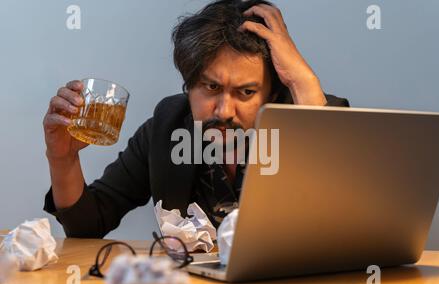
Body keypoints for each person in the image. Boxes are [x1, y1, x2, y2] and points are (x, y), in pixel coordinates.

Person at [43, 0, 349, 238]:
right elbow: (89, 224)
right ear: (188, 85)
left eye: (246, 92)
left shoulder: (312, 114)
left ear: (271, 93)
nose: (224, 111)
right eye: (211, 87)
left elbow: (345, 218)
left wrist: (304, 83)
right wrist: (63, 159)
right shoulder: (168, 125)